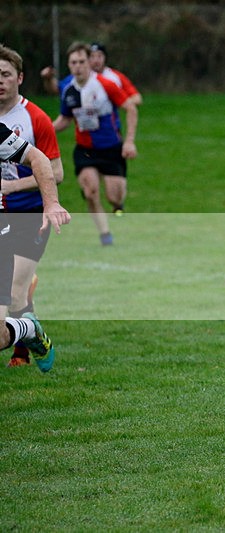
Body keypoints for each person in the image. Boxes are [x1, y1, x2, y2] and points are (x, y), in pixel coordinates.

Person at [0, 44, 65, 367]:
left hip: (28, 215)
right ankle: (25, 333)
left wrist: (14, 185)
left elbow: (56, 170)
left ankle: (25, 344)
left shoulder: (34, 117)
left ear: (19, 78)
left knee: (14, 293)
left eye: (5, 74)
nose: (0, 81)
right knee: (13, 294)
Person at [52, 41, 138, 246]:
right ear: (69, 65)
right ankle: (105, 234)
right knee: (90, 191)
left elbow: (131, 108)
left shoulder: (106, 85)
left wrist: (129, 142)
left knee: (114, 197)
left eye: (82, 61)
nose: (78, 66)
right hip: (85, 150)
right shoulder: (68, 90)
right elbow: (65, 119)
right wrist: (42, 129)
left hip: (111, 148)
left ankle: (117, 205)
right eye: (73, 62)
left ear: (89, 62)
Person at [41, 42, 142, 108]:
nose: (96, 60)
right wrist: (48, 79)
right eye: (93, 56)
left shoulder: (114, 77)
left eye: (99, 56)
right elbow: (56, 89)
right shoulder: (76, 79)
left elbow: (137, 99)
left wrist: (113, 101)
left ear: (105, 57)